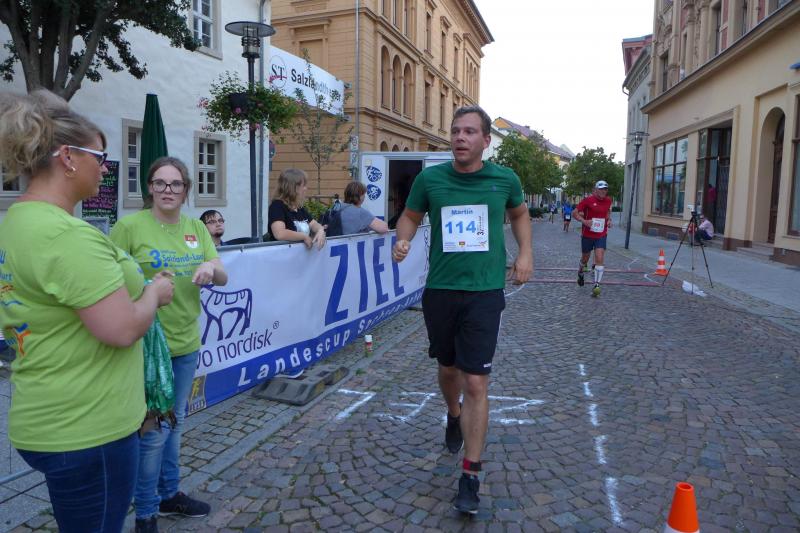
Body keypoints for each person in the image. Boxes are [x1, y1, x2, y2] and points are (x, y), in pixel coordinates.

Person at [0, 91, 174, 532]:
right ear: (68, 158)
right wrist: (154, 293)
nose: (106, 168)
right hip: (88, 426)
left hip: (47, 413)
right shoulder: (66, 236)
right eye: (100, 157)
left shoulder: (18, 221)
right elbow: (121, 329)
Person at [391, 105, 533, 515]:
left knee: (476, 381)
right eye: (456, 130)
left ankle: (470, 475)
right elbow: (409, 217)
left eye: (470, 131)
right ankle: (452, 414)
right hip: (440, 290)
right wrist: (402, 239)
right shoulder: (431, 180)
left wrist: (525, 252)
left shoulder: (504, 179)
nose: (460, 137)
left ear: (486, 141)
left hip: (485, 292)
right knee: (449, 369)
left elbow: (520, 213)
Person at [110, 157, 228, 533]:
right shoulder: (129, 227)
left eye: (175, 184)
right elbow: (108, 280)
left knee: (174, 425)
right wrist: (146, 290)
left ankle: (168, 494)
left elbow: (222, 274)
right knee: (152, 433)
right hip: (146, 348)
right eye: (160, 183)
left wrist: (210, 268)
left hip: (186, 344)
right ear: (149, 187)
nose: (167, 190)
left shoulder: (196, 228)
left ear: (186, 190)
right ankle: (145, 513)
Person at [266, 168, 326, 250]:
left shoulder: (299, 208)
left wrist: (320, 230)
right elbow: (279, 233)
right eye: (303, 185)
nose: (305, 188)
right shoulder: (277, 206)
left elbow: (313, 224)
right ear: (293, 187)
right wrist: (304, 236)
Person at [572, 180, 613, 297]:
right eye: (601, 189)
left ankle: (596, 285)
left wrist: (609, 220)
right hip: (587, 235)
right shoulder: (587, 201)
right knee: (585, 258)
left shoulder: (608, 200)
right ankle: (580, 271)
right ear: (595, 190)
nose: (603, 191)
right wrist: (584, 221)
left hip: (601, 234)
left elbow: (607, 212)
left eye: (605, 189)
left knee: (599, 257)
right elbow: (574, 213)